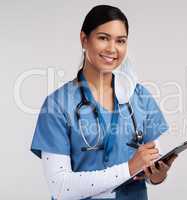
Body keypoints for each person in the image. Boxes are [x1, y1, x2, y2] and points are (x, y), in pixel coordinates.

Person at [30, 5, 177, 200]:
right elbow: (60, 188)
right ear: (84, 39)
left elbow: (150, 169)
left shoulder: (139, 96)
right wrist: (128, 168)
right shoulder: (57, 104)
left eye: (120, 41)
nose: (112, 49)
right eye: (103, 38)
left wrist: (158, 175)